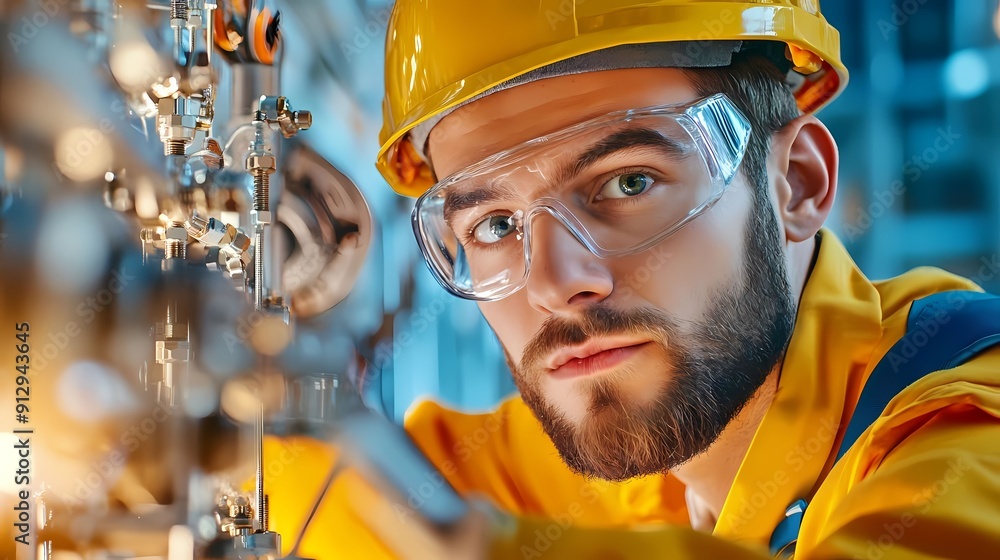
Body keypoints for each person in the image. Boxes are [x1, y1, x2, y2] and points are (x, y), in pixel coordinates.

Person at [264, 1, 1000, 557]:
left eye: (628, 182)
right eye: (494, 225)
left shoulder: (967, 438)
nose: (556, 284)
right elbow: (342, 497)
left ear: (797, 184)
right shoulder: (649, 442)